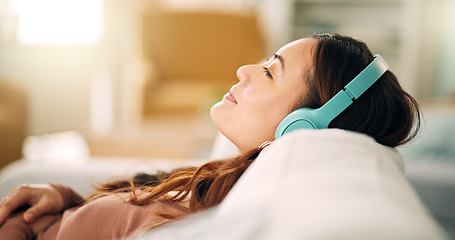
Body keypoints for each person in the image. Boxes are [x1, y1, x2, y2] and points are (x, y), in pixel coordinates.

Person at [0, 33, 421, 239]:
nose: (244, 70)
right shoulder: (216, 180)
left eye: (270, 71)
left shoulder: (199, 223)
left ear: (302, 127)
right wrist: (63, 198)